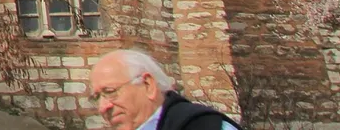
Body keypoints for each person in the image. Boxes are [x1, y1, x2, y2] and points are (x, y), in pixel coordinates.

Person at [87, 49, 241, 130]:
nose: (102, 107)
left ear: (148, 85)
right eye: (96, 98)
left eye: (110, 92)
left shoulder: (202, 125)